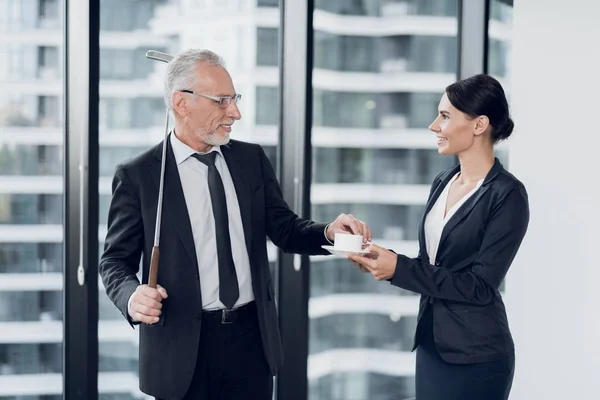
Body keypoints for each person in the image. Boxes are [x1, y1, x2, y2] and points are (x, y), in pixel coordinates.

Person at [99, 49, 371, 400]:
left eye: (235, 99)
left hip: (251, 343)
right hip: (181, 352)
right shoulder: (139, 175)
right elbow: (114, 262)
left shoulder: (250, 159)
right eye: (223, 101)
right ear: (182, 103)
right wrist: (132, 296)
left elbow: (285, 228)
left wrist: (328, 232)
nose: (235, 113)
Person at [348, 74, 529, 400]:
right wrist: (382, 260)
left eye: (445, 116)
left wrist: (399, 269)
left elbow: (479, 286)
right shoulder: (443, 181)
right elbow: (432, 264)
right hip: (432, 346)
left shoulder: (508, 194)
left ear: (479, 125)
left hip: (477, 356)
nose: (434, 126)